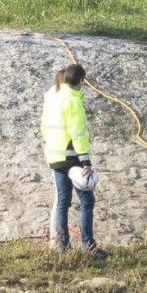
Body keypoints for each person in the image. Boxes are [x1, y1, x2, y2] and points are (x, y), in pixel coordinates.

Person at [41, 62, 102, 257]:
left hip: (54, 155)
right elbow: (78, 133)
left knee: (62, 201)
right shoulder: (73, 101)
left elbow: (44, 127)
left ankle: (62, 246)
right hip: (72, 156)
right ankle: (89, 246)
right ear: (81, 81)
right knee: (86, 200)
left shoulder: (52, 97)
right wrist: (85, 161)